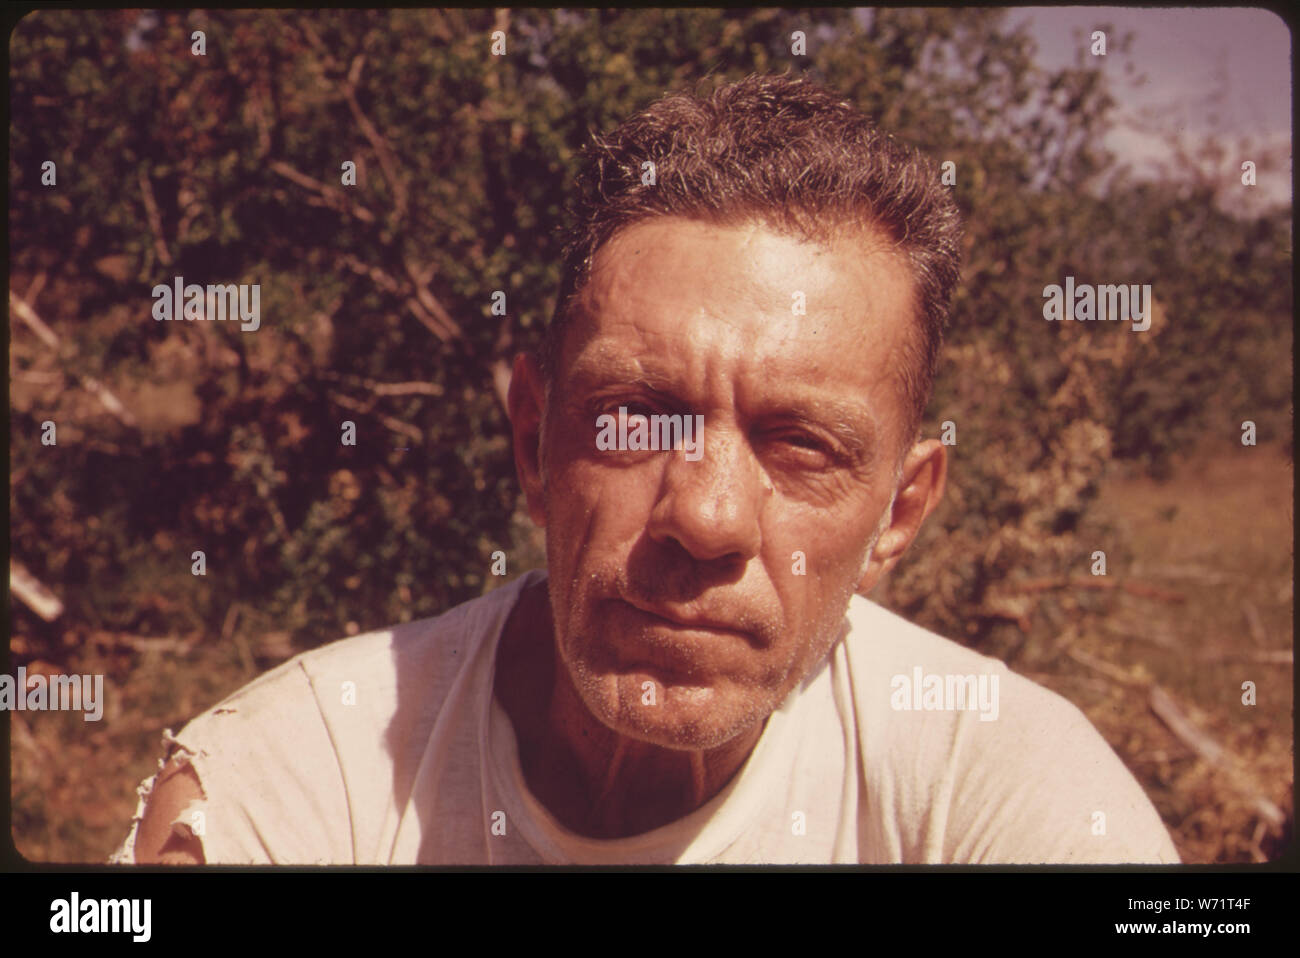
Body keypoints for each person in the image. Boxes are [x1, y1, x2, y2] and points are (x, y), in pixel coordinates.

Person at [114, 73, 1179, 865]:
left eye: (802, 444)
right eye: (636, 417)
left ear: (899, 511)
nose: (707, 516)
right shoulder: (299, 776)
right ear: (532, 441)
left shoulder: (1004, 789)